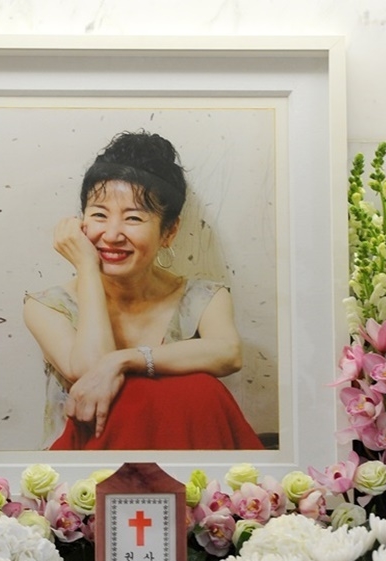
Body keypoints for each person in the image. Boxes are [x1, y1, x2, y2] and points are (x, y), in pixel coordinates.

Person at [23, 130, 263, 451]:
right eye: (99, 215)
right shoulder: (48, 306)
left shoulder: (203, 298)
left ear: (169, 231)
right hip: (84, 471)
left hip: (180, 465)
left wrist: (124, 361)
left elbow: (229, 353)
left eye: (133, 218)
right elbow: (92, 370)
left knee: (204, 391)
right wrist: (87, 269)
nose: (112, 235)